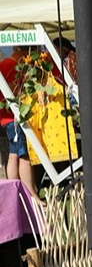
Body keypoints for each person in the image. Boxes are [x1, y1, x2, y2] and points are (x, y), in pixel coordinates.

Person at [0, 47, 44, 204]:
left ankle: (17, 194)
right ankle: (30, 194)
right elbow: (14, 91)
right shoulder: (10, 66)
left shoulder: (4, 64)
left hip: (7, 118)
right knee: (23, 154)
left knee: (14, 153)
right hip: (14, 117)